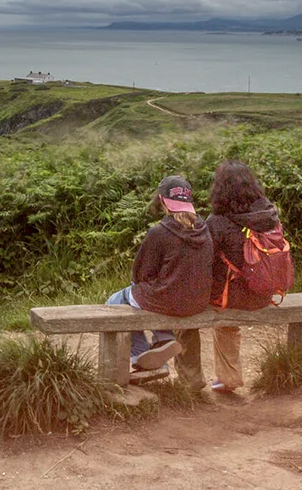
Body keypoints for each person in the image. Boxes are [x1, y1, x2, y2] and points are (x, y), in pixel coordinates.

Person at [176, 160, 285, 393]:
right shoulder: (269, 216)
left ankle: (197, 380)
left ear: (220, 189)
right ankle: (227, 379)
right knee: (227, 307)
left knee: (184, 310)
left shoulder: (218, 222)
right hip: (264, 294)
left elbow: (204, 262)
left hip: (231, 297)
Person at [105, 175, 213, 376]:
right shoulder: (205, 230)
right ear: (189, 203)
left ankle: (143, 356)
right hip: (197, 301)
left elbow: (140, 274)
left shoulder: (159, 232)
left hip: (168, 299)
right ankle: (162, 340)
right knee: (145, 294)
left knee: (115, 300)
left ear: (163, 201)